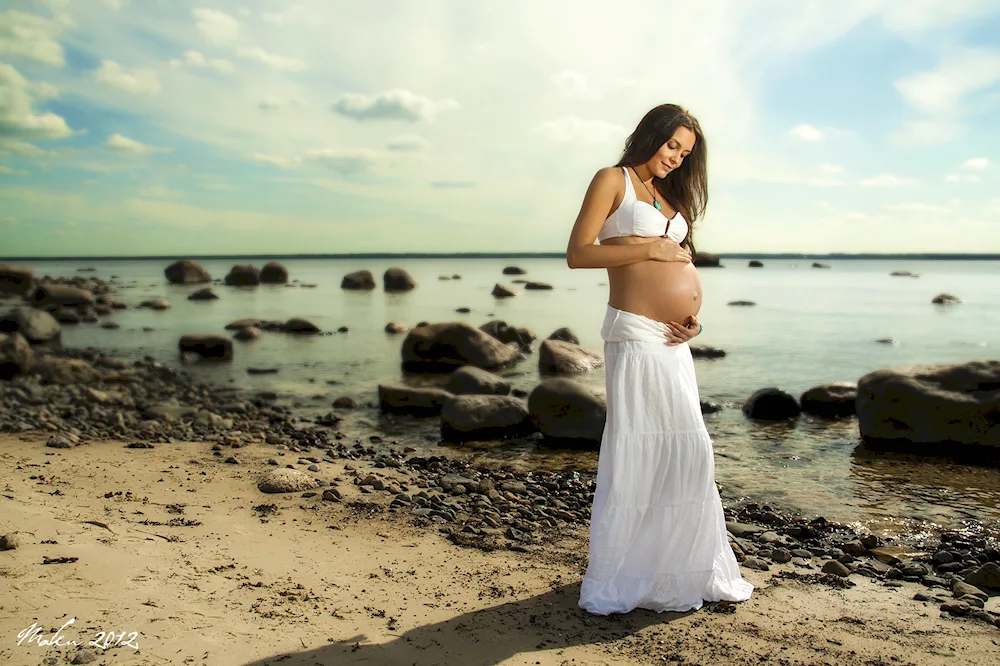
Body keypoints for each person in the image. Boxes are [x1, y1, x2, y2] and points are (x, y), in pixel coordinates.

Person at [565, 103, 754, 615]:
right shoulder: (614, 179)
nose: (676, 157)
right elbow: (578, 253)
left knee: (688, 453)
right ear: (650, 135)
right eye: (672, 145)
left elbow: (679, 267)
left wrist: (693, 321)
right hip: (635, 334)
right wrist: (648, 252)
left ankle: (675, 567)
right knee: (642, 453)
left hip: (674, 341)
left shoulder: (669, 198)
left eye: (686, 152)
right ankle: (627, 573)